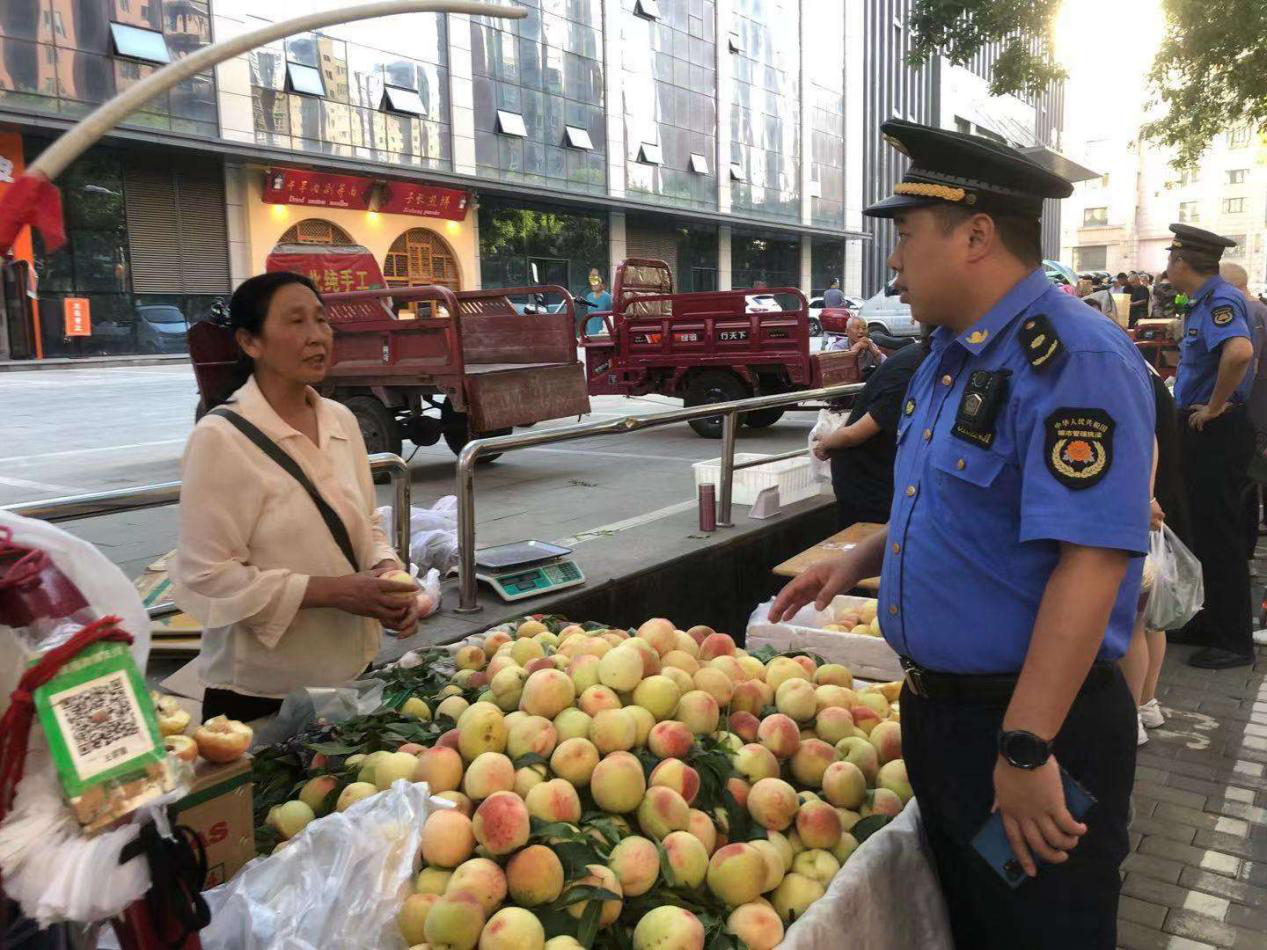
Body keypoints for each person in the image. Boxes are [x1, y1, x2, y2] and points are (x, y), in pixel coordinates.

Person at [769, 119, 1153, 949]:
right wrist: (855, 559)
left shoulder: (1071, 360)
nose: (895, 262)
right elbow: (947, 508)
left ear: (976, 235)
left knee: (1039, 930)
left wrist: (1023, 748)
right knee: (975, 927)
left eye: (906, 236)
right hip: (941, 722)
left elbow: (1090, 563)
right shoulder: (949, 358)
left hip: (1028, 726)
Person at [171, 272, 420, 722]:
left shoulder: (342, 421)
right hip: (260, 694)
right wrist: (333, 592)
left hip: (350, 676)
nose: (316, 336)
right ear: (250, 342)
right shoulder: (221, 439)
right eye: (296, 322)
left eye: (322, 321)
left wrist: (385, 574)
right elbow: (205, 578)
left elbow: (367, 523)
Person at [1166, 225, 1256, 668]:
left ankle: (1234, 640)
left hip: (1217, 430)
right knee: (1204, 528)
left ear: (1183, 264)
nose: (1168, 267)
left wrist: (1216, 406)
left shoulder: (1221, 301)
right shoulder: (1207, 300)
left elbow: (1238, 353)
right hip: (1205, 427)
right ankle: (1211, 619)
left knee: (1219, 533)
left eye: (1171, 260)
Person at [813, 333, 928, 529]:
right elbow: (854, 433)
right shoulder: (910, 372)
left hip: (882, 475)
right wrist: (825, 444)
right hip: (866, 482)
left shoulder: (918, 362)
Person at [1220, 261, 1267, 556]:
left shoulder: (1249, 313)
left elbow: (1249, 363)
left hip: (1254, 412)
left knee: (1247, 483)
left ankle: (1243, 549)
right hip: (1258, 411)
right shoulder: (1260, 309)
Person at [581, 268, 613, 336]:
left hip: (603, 334)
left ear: (603, 283)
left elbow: (612, 318)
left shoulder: (608, 298)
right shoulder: (589, 296)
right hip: (590, 334)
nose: (594, 284)